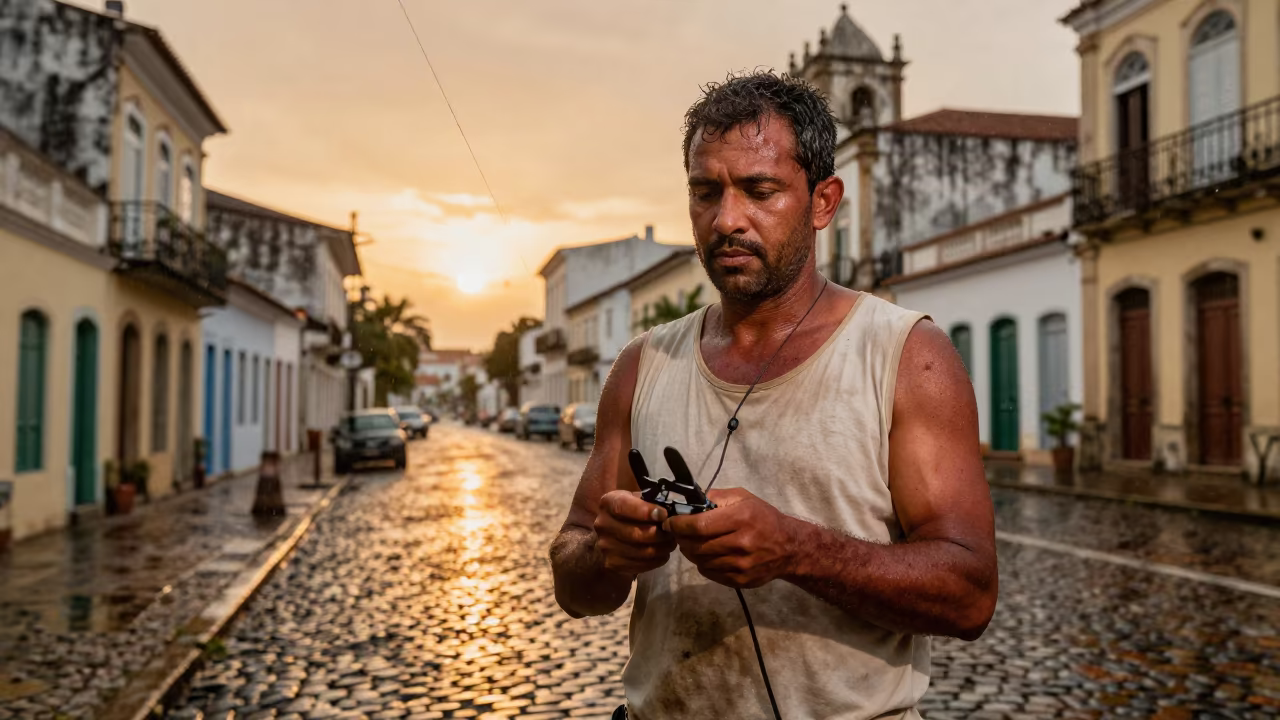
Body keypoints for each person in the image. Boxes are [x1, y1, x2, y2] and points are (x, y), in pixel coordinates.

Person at [549, 70, 998, 720]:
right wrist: (607, 552)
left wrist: (794, 548)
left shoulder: (906, 357)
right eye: (705, 193)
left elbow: (969, 597)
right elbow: (575, 584)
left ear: (823, 202)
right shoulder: (640, 366)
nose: (727, 218)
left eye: (759, 190)